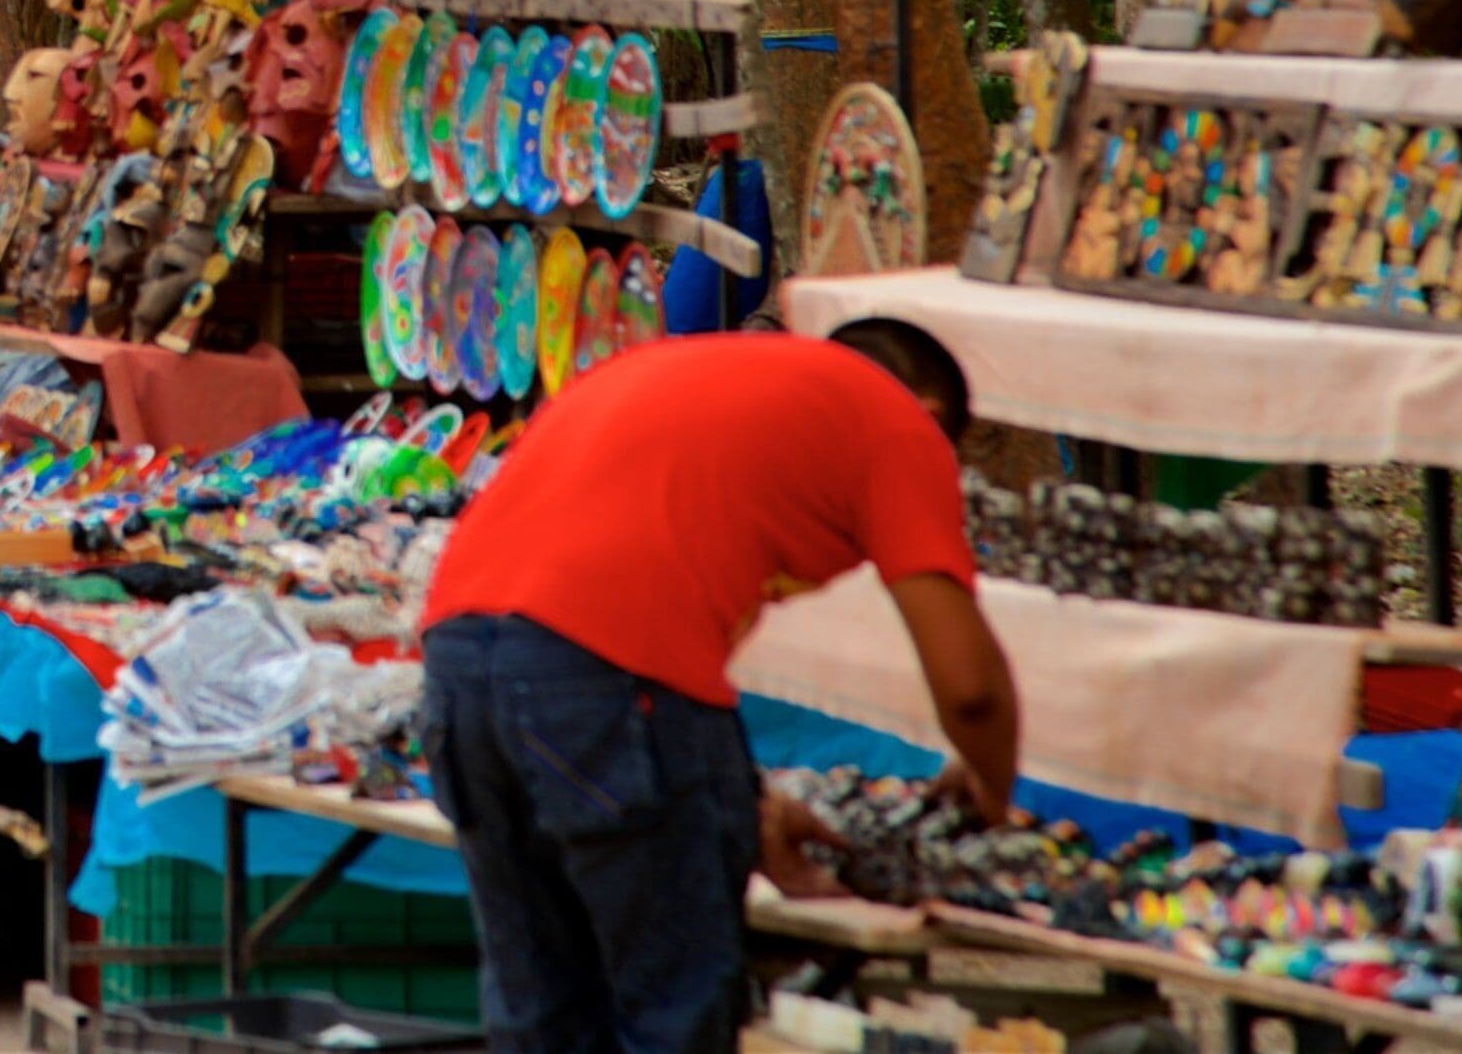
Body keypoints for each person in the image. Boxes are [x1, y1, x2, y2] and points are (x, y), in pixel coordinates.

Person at [416, 323, 1020, 1054]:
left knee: (541, 1006)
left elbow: (629, 634)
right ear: (929, 414)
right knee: (673, 1013)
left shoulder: (690, 375)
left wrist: (744, 804)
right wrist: (991, 785)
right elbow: (972, 691)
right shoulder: (897, 420)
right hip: (600, 673)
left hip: (458, 667)